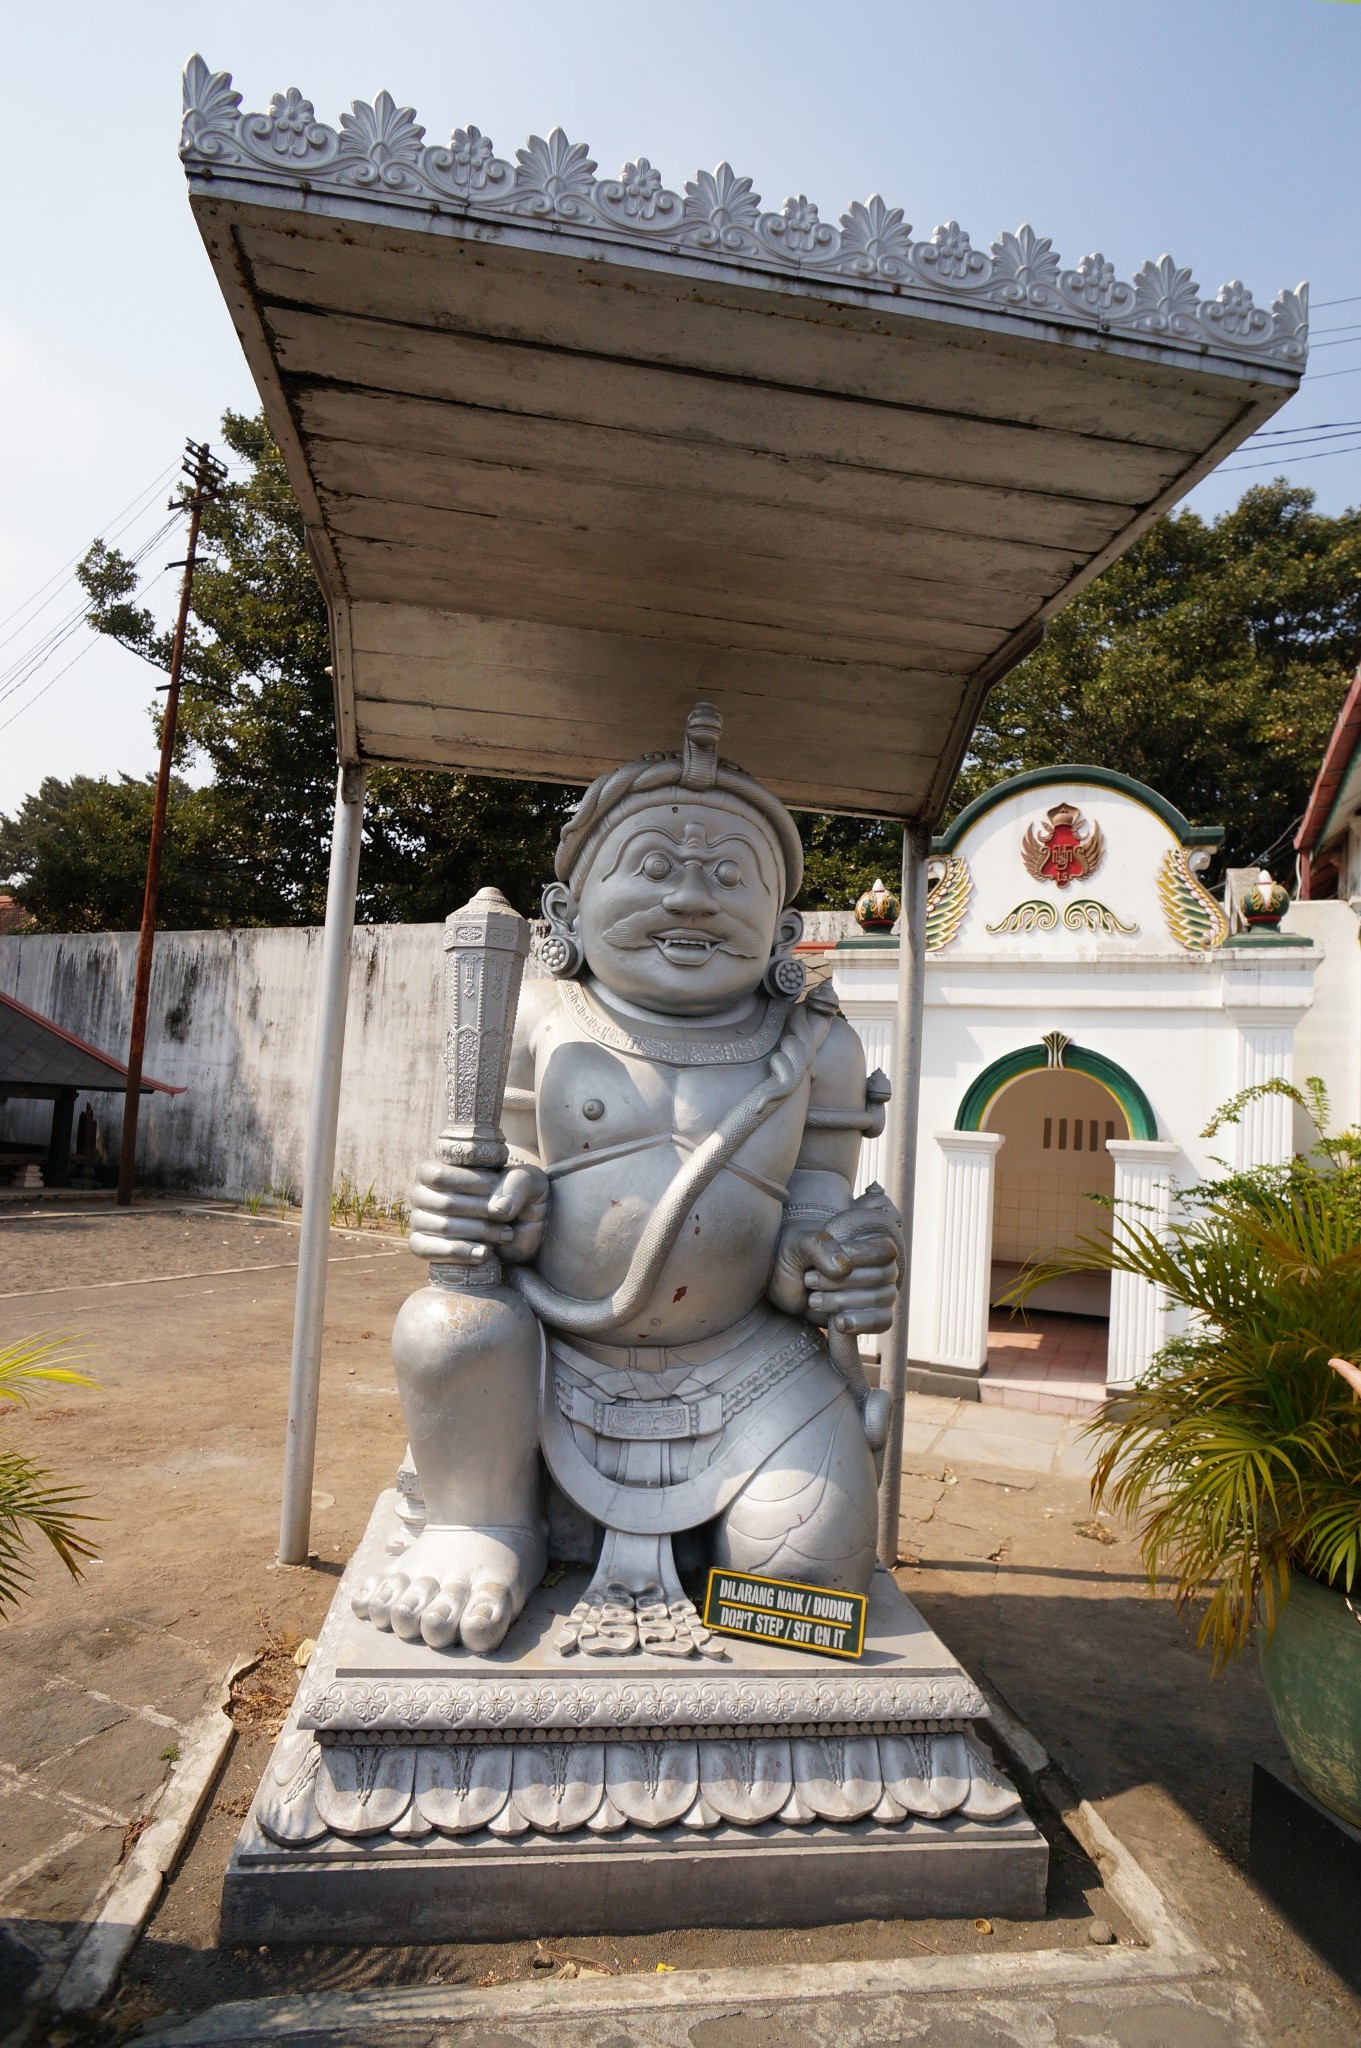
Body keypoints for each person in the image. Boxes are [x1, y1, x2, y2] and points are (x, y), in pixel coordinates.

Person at [356, 703, 901, 1655]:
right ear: (565, 915)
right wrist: (473, 1211)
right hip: (553, 1357)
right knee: (444, 1325)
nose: (691, 899)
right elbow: (508, 1168)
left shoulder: (817, 1044)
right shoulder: (539, 1019)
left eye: (729, 878)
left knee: (800, 1578)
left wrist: (829, 1261)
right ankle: (484, 1523)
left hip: (745, 1363)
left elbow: (811, 1201)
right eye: (653, 869)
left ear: (781, 928)